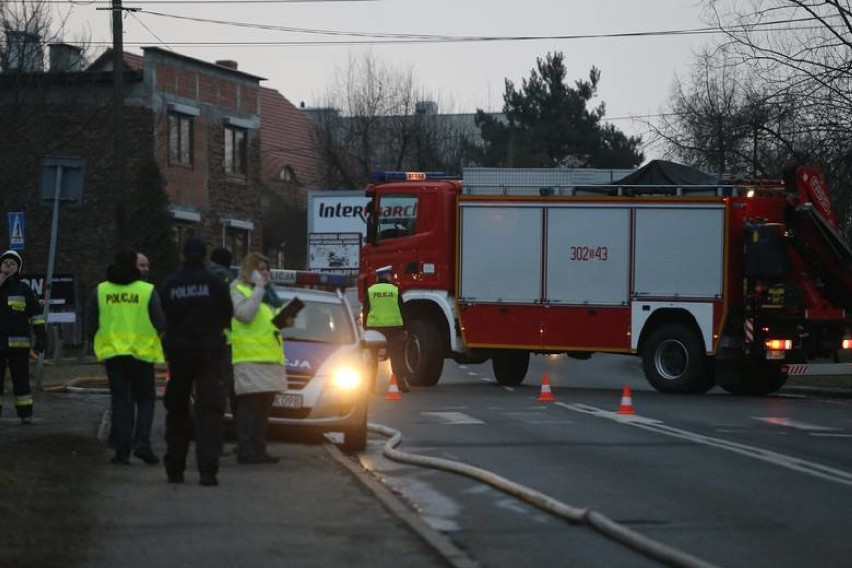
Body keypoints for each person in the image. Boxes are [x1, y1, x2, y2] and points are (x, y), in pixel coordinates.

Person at [159, 237, 233, 486]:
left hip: (179, 355)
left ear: (182, 256)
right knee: (209, 413)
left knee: (177, 411)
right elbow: (227, 315)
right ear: (204, 257)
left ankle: (175, 469)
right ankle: (207, 472)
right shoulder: (215, 283)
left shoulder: (170, 284)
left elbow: (163, 316)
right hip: (209, 354)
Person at [86, 249, 166, 465]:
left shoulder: (101, 290)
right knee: (146, 399)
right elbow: (160, 322)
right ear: (134, 265)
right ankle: (142, 443)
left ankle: (122, 450)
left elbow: (90, 323)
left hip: (113, 354)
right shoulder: (146, 290)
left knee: (121, 401)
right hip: (141, 353)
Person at [230, 252, 291, 464]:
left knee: (264, 410)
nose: (265, 273)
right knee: (248, 408)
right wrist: (258, 289)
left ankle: (259, 448)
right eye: (260, 269)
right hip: (249, 358)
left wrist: (287, 318)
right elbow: (245, 315)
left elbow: (268, 324)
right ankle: (245, 449)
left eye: (267, 269)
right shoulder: (238, 289)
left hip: (270, 358)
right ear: (250, 270)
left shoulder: (269, 295)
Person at [0, 250, 46, 424]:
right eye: (5, 263)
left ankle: (25, 413)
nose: (8, 266)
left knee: (21, 382)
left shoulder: (24, 289)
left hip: (19, 347)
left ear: (18, 268)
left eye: (12, 264)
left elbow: (36, 315)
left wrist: (41, 336)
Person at [363, 265, 409, 392]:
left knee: (372, 358)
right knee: (396, 357)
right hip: (394, 328)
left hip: (375, 328)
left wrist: (366, 328)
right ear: (388, 276)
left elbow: (365, 311)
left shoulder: (370, 290)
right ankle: (400, 384)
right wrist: (405, 328)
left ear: (378, 277)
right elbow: (402, 310)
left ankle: (369, 386)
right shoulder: (395, 290)